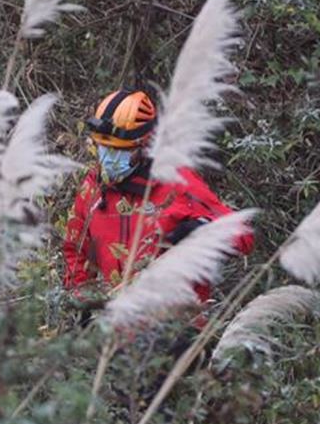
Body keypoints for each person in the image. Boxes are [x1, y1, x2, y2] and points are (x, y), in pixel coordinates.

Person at [61, 88, 254, 323]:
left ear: (145, 146)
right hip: (114, 332)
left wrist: (203, 231)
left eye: (120, 150)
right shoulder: (92, 188)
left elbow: (243, 235)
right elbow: (75, 249)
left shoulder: (177, 183)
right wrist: (83, 300)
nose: (109, 158)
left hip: (175, 329)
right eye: (103, 147)